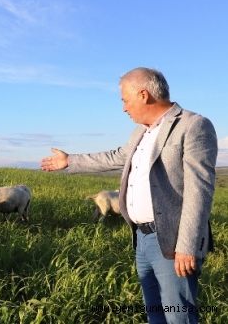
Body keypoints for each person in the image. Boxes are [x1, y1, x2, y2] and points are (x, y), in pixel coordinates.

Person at [40, 67, 217, 323]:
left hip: (173, 240)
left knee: (178, 315)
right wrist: (70, 161)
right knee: (154, 312)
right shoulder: (141, 132)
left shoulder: (192, 125)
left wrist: (187, 246)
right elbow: (115, 156)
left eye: (125, 99)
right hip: (142, 239)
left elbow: (199, 190)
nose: (124, 107)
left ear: (143, 95)